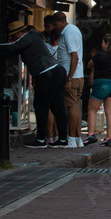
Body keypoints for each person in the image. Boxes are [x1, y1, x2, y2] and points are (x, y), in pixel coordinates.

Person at [0, 21, 68, 148]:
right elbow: (12, 51)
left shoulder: (29, 37)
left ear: (20, 33)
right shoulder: (32, 38)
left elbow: (12, 47)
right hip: (57, 71)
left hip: (46, 73)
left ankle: (41, 139)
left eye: (15, 35)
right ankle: (63, 139)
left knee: (40, 105)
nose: (14, 38)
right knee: (57, 106)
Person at [53, 11, 85, 148]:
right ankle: (77, 138)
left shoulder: (68, 33)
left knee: (71, 107)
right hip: (78, 75)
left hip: (72, 76)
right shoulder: (74, 29)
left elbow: (75, 56)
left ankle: (71, 138)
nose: (55, 28)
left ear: (62, 22)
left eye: (55, 24)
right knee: (75, 106)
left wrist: (68, 78)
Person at [86, 33, 111, 147]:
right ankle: (108, 138)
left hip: (101, 83)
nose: (101, 45)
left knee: (92, 109)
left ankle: (91, 135)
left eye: (103, 42)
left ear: (107, 44)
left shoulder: (100, 55)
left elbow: (89, 65)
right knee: (110, 113)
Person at [43, 15, 70, 143]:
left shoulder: (44, 45)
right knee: (58, 106)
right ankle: (59, 135)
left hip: (47, 76)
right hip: (60, 76)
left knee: (49, 107)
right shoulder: (61, 44)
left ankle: (48, 136)